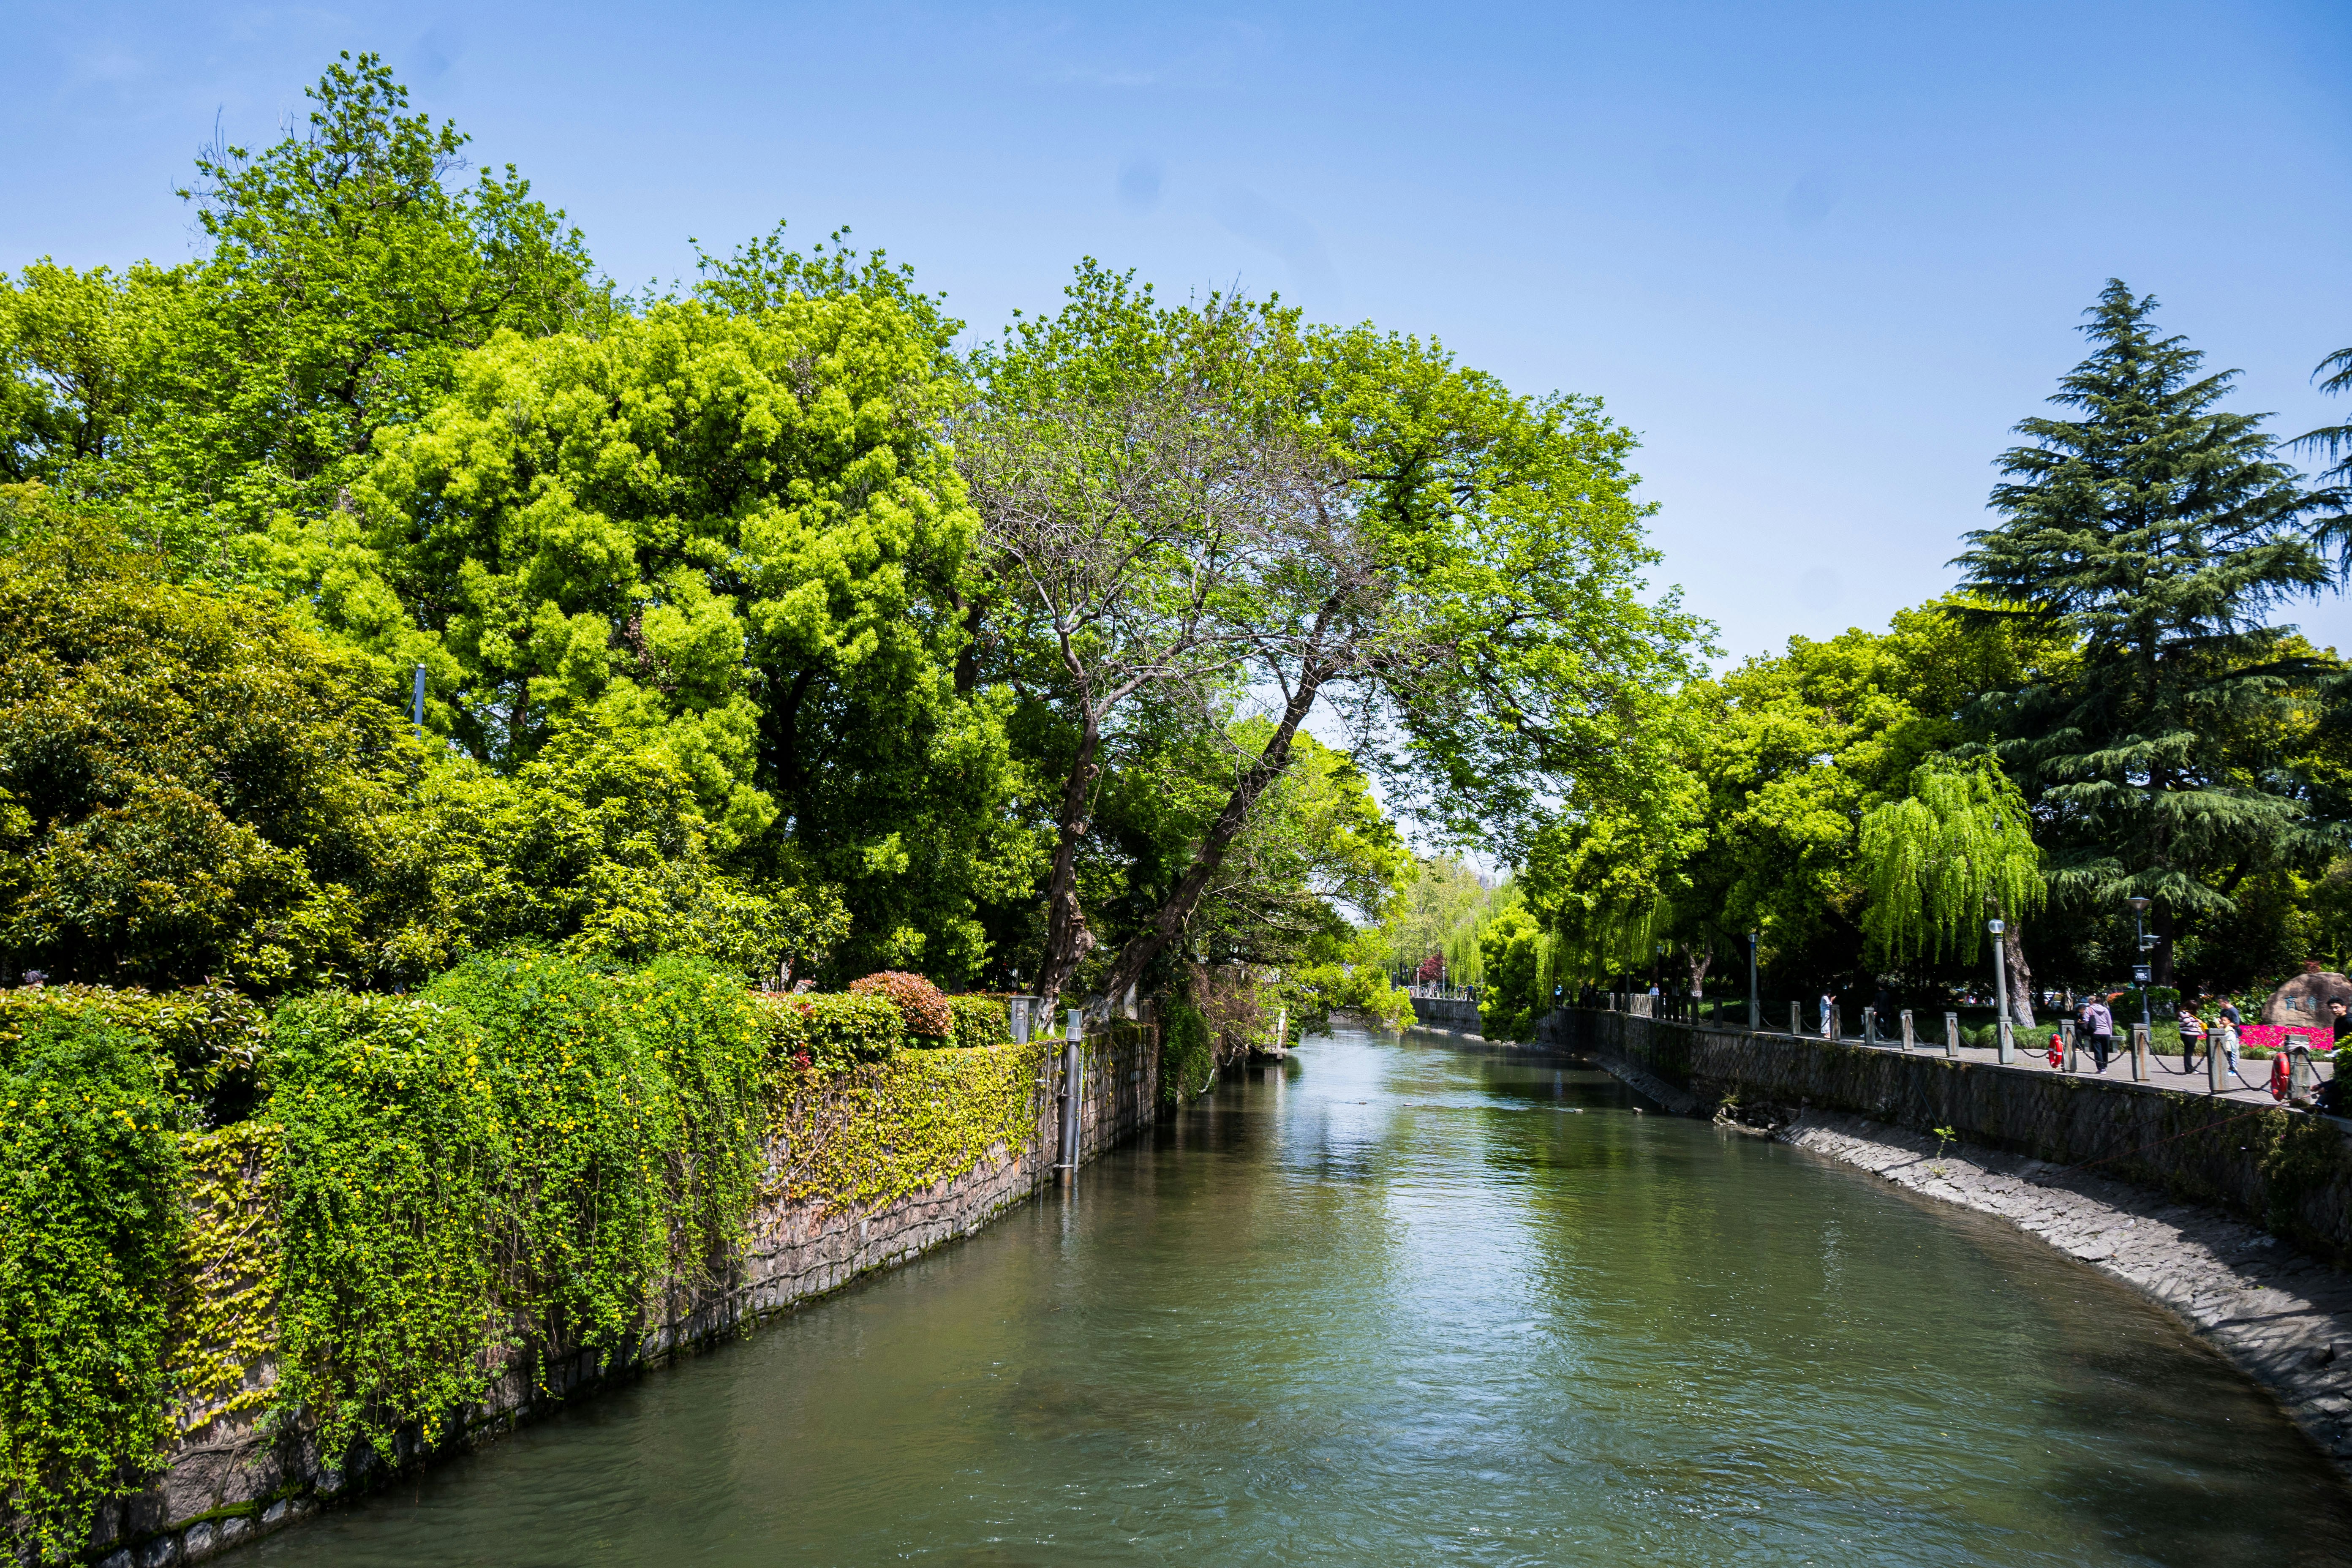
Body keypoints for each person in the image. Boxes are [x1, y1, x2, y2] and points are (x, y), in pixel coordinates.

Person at [2079, 993, 2115, 1073]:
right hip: (2106, 1033)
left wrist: (2087, 1028)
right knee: (2105, 1051)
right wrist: (2110, 1033)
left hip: (2096, 1033)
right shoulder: (2105, 1009)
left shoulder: (2089, 1009)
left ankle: (2101, 1069)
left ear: (2092, 1002)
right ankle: (2104, 1066)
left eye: (2089, 1001)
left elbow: (2086, 1020)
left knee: (2098, 1051)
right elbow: (2110, 1022)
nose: (2089, 1003)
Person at [2178, 1003, 2205, 1074]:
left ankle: (2189, 1068)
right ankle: (2189, 1069)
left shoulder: (2188, 1014)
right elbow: (2189, 1023)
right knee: (2188, 1052)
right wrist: (2198, 1023)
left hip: (2192, 1035)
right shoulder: (2184, 1013)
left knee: (2189, 1052)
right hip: (2188, 1035)